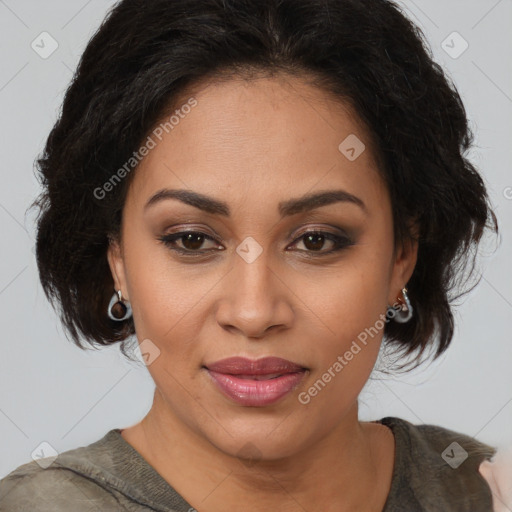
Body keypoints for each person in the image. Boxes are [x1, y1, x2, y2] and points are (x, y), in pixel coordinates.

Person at [0, 0, 503, 510]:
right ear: (117, 259)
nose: (254, 312)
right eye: (192, 240)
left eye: (316, 240)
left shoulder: (486, 491)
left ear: (402, 256)